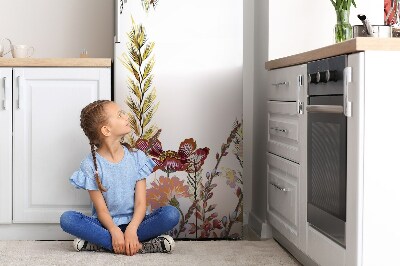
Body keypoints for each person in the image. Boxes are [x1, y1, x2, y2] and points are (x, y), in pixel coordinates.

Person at [60, 100, 180, 256]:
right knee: (67, 219)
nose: (126, 116)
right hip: (106, 225)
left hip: (137, 223)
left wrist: (132, 229)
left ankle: (104, 244)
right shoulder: (90, 165)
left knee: (171, 214)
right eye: (120, 114)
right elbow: (102, 210)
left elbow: (140, 203)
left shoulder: (137, 157)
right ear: (106, 130)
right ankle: (142, 246)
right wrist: (114, 230)